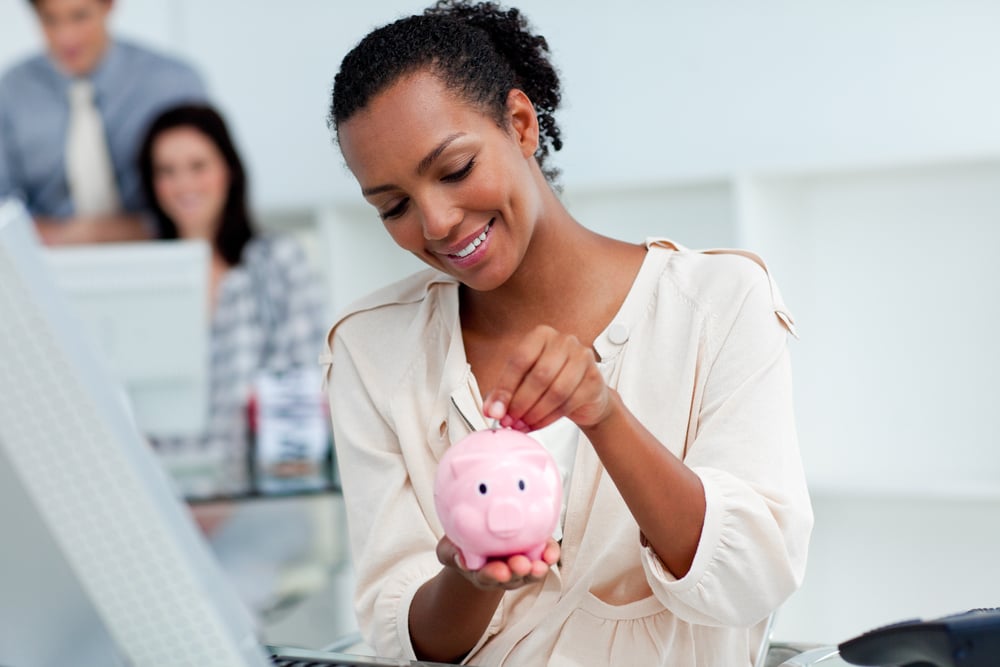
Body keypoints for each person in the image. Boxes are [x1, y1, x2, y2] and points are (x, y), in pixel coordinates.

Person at [320, 2, 814, 666]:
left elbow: (752, 575)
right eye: (394, 206)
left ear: (520, 124)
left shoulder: (716, 304)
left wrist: (601, 411)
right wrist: (470, 580)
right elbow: (406, 640)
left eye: (456, 169)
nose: (435, 222)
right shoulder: (371, 350)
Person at [138, 103, 328, 612]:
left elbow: (302, 397)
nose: (183, 184)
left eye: (197, 165)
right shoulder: (140, 279)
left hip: (260, 507)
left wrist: (219, 506)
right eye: (167, 171)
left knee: (214, 608)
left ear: (227, 170)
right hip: (161, 514)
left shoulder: (275, 263)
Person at [0, 0, 208, 245]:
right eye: (50, 20)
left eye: (79, 17)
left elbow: (207, 190)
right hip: (49, 262)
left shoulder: (173, 84)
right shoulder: (11, 93)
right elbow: (4, 210)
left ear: (108, 6)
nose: (66, 37)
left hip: (159, 250)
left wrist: (108, 234)